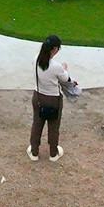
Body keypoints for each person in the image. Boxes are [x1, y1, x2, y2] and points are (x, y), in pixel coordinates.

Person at [28, 34, 72, 163]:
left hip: (38, 96)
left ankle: (34, 152)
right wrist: (64, 68)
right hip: (53, 100)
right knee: (53, 127)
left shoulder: (36, 59)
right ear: (54, 49)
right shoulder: (56, 66)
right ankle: (53, 153)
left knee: (37, 124)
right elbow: (66, 79)